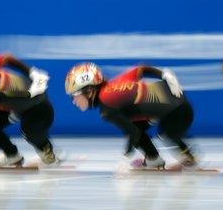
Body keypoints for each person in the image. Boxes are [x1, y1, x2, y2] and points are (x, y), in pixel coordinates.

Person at [64, 61, 199, 171]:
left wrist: (125, 158)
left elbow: (132, 132)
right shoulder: (114, 85)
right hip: (177, 102)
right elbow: (141, 68)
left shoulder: (107, 107)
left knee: (163, 133)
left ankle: (189, 159)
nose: (73, 101)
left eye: (74, 95)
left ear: (89, 90)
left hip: (177, 112)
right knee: (137, 125)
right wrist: (164, 73)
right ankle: (154, 158)